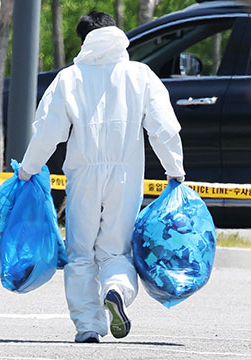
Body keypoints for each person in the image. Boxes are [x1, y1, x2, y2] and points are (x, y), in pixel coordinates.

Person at [18, 11, 185, 343]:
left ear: (83, 41)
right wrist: (176, 170)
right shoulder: (140, 75)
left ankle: (88, 326)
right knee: (115, 250)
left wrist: (28, 170)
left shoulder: (70, 78)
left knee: (80, 252)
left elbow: (46, 133)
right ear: (117, 35)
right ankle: (117, 291)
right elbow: (163, 128)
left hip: (82, 175)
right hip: (126, 174)